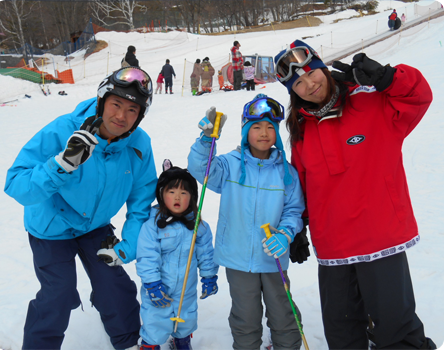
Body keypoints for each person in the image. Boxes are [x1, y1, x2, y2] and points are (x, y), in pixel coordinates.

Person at [274, 39, 436, 349]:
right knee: (342, 331)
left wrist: (389, 78)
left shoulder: (370, 101)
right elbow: (304, 183)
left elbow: (418, 96)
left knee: (395, 329)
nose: (309, 85)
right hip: (333, 247)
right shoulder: (302, 128)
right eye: (298, 83)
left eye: (311, 73)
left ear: (322, 66)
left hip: (380, 238)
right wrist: (300, 227)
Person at [4, 66, 158, 350]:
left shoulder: (139, 145)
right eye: (116, 104)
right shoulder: (63, 130)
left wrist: (128, 246)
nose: (121, 116)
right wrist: (60, 165)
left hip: (95, 225)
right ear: (102, 101)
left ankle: (130, 343)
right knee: (59, 293)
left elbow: (141, 204)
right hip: (51, 227)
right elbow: (16, 184)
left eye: (133, 110)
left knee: (114, 286)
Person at [188, 95, 305, 350]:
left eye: (270, 127)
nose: (264, 133)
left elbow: (294, 210)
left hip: (273, 258)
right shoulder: (230, 165)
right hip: (237, 258)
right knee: (245, 315)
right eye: (256, 126)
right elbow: (202, 170)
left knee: (282, 310)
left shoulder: (286, 172)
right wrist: (207, 142)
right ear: (244, 130)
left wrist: (285, 234)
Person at [136, 160, 219, 350]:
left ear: (192, 197)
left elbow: (206, 253)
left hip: (186, 289)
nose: (177, 198)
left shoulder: (198, 225)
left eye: (184, 193)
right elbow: (147, 257)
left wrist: (208, 276)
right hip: (159, 288)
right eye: (171, 192)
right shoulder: (152, 226)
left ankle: (181, 340)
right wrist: (151, 283)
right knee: (155, 320)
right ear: (161, 195)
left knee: (186, 317)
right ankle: (150, 344)